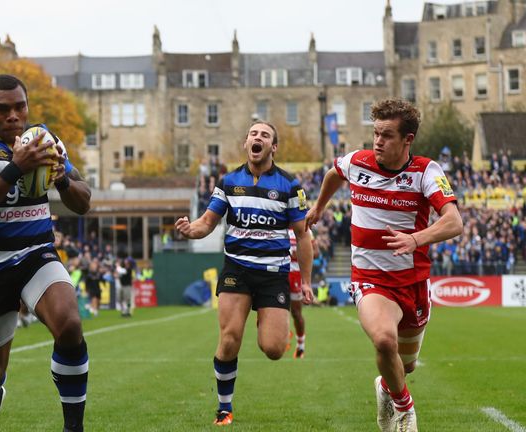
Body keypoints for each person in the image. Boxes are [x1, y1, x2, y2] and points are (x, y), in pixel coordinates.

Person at [305, 98, 463, 432]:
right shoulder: (358, 162)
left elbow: (454, 222)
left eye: (387, 135)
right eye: (376, 133)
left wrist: (416, 239)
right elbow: (335, 172)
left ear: (408, 140)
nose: (378, 141)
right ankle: (405, 411)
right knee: (383, 341)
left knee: (404, 368)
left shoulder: (426, 171)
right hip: (370, 279)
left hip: (413, 283)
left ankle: (386, 388)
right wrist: (319, 207)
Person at [0, 74, 91, 432]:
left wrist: (61, 179)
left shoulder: (45, 140)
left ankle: (73, 428)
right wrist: (15, 169)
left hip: (36, 253)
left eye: (20, 107)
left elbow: (83, 201)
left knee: (70, 325)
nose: (14, 115)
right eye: (3, 108)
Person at [175, 121, 314, 426]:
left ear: (273, 147)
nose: (258, 137)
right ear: (246, 143)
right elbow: (207, 222)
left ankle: (270, 321)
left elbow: (303, 236)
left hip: (273, 273)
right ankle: (224, 408)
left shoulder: (290, 185)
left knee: (274, 349)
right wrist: (190, 230)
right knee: (229, 338)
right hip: (237, 270)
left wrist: (305, 281)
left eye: (265, 135)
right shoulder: (228, 182)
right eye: (253, 134)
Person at [288, 227, 318, 359]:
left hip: (296, 275)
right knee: (274, 308)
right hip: (279, 272)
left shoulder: (305, 230)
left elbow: (316, 252)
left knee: (296, 312)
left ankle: (300, 345)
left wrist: (299, 253)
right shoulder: (279, 224)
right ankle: (282, 334)